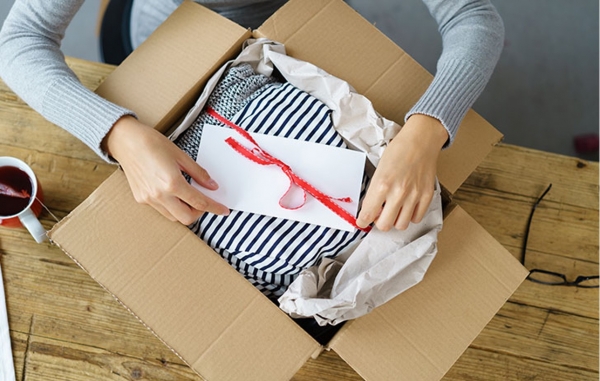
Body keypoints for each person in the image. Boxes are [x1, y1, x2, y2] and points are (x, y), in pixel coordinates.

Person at [0, 0, 504, 232]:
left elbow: (473, 16)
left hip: (299, 46)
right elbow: (18, 41)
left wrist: (425, 132)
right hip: (160, 52)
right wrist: (116, 133)